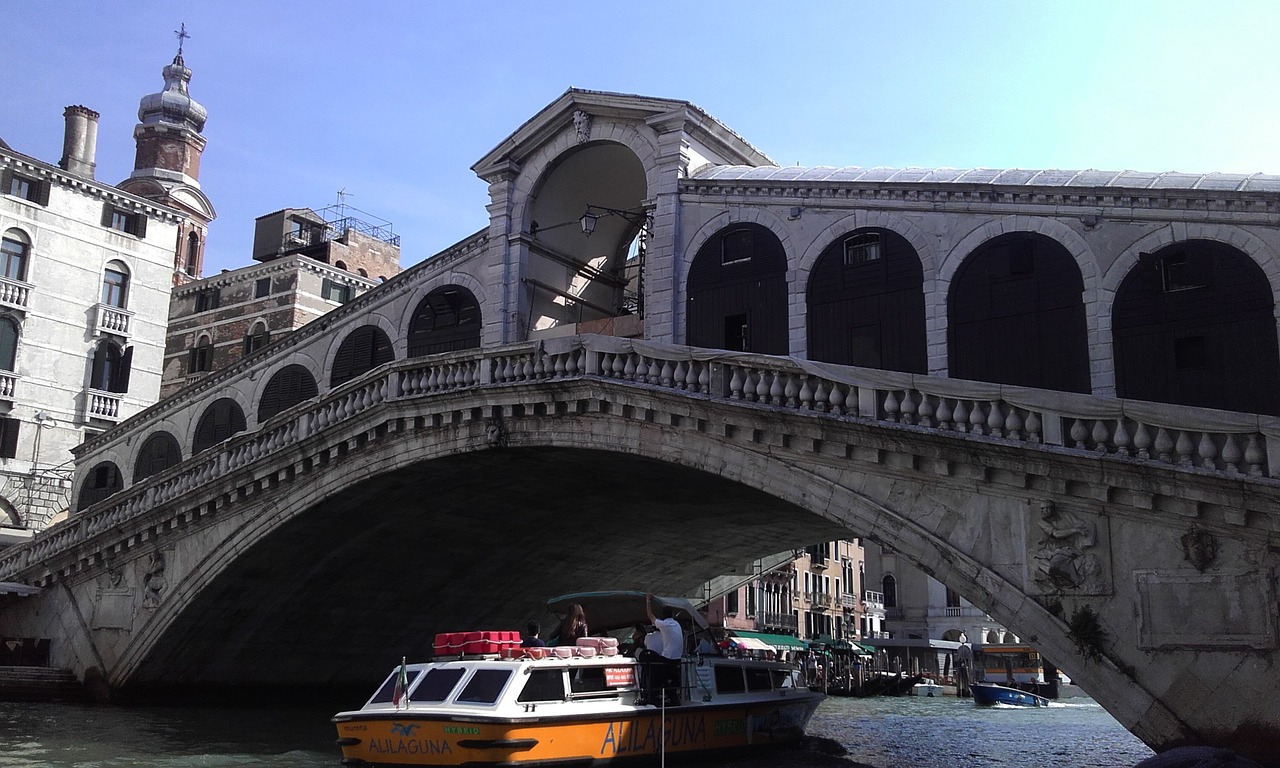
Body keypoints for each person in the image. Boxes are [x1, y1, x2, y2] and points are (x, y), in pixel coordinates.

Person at [640, 593, 683, 705]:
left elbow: (650, 616)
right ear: (672, 615)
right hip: (677, 658)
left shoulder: (663, 625)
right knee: (670, 676)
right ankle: (672, 696)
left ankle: (652, 695)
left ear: (663, 616)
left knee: (654, 670)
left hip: (668, 657)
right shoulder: (677, 624)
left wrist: (648, 601)